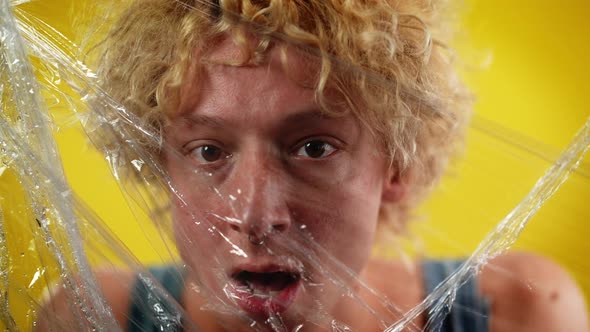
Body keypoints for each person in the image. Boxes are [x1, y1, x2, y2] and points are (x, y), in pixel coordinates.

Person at [36, 0, 588, 331]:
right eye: (209, 151)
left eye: (314, 147)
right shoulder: (89, 318)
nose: (255, 216)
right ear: (160, 162)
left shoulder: (516, 311)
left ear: (396, 163)